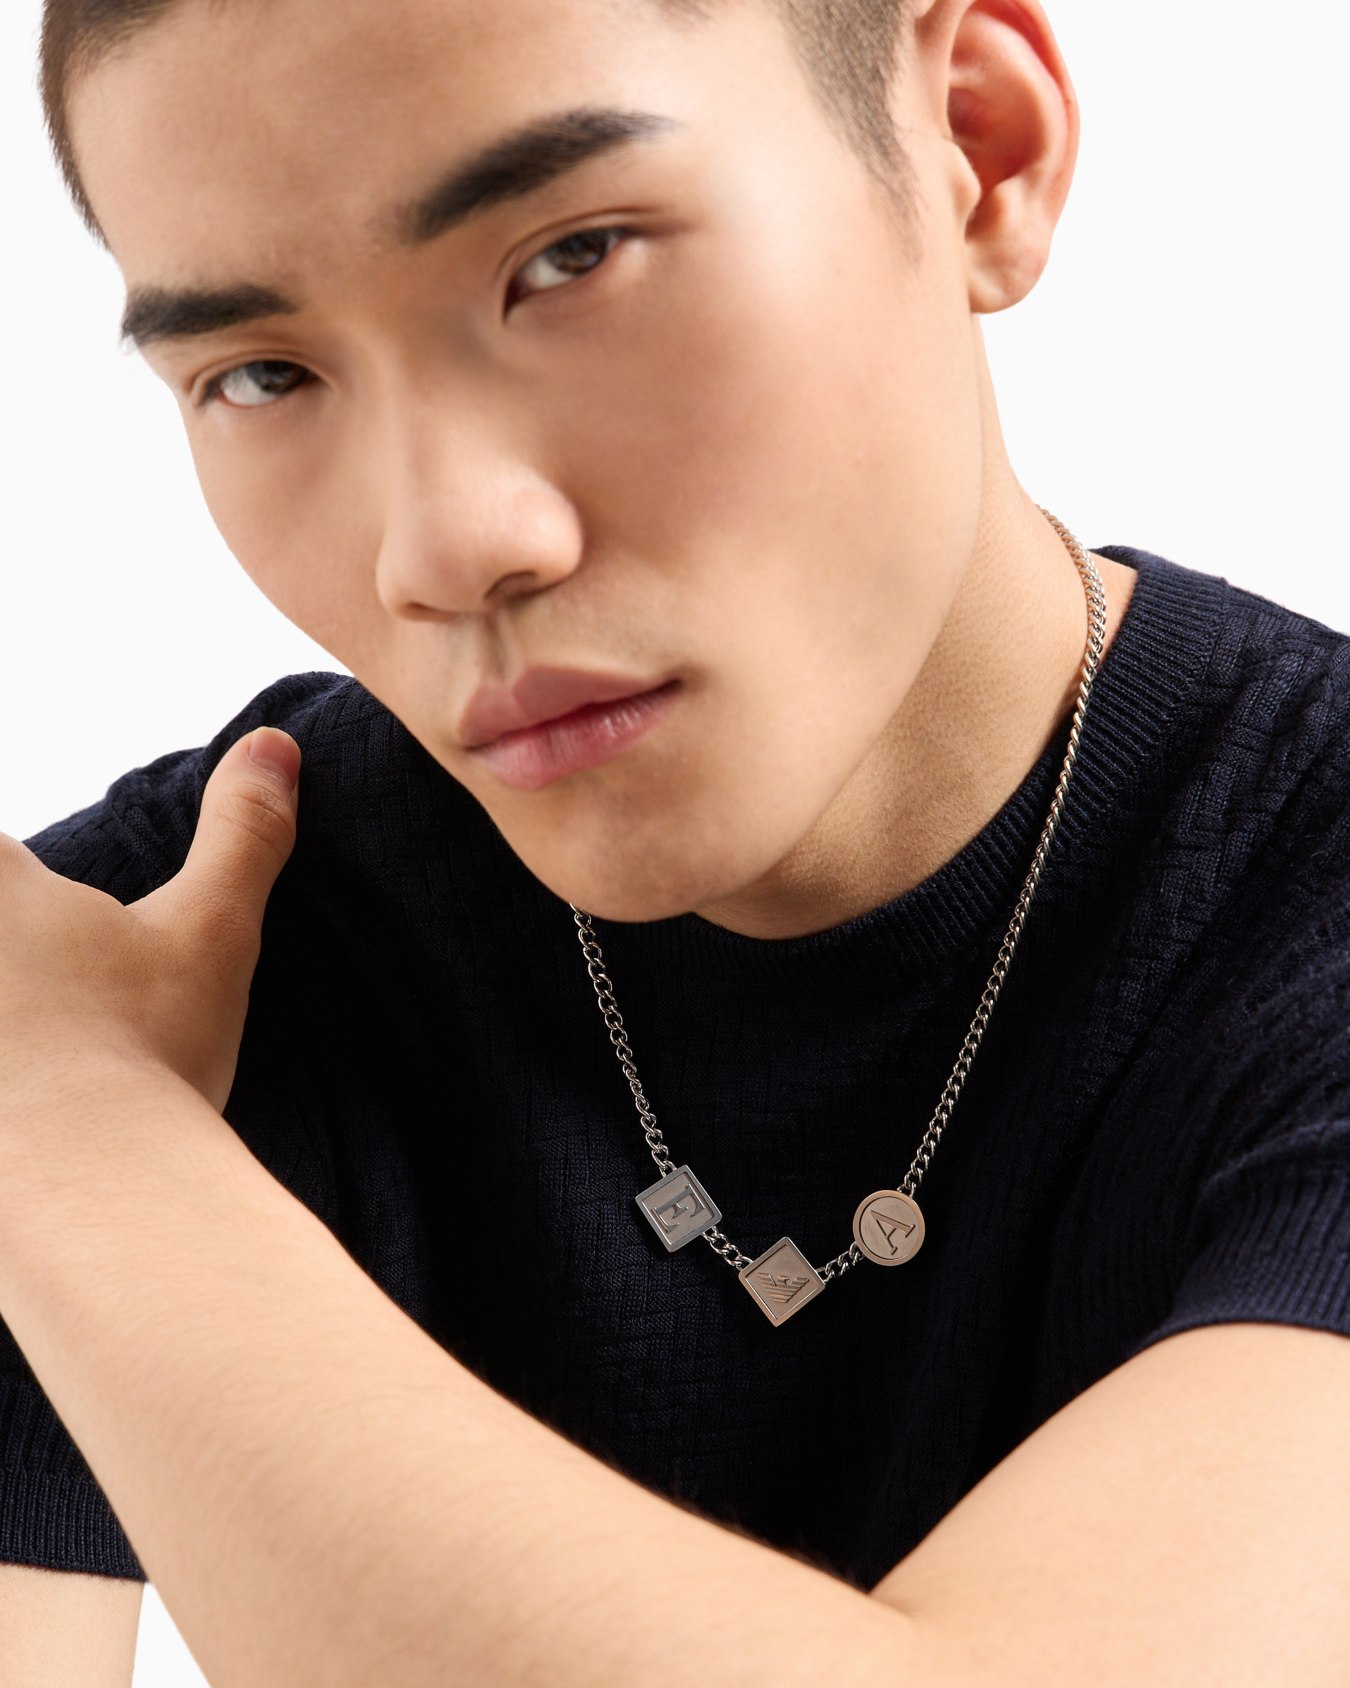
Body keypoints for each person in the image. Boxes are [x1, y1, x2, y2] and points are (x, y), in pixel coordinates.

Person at [1, 0, 1347, 1681]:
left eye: (572, 259)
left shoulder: (64, 1080)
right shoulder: (139, 967)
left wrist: (87, 1157)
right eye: (262, 374)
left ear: (974, 147)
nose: (443, 548)